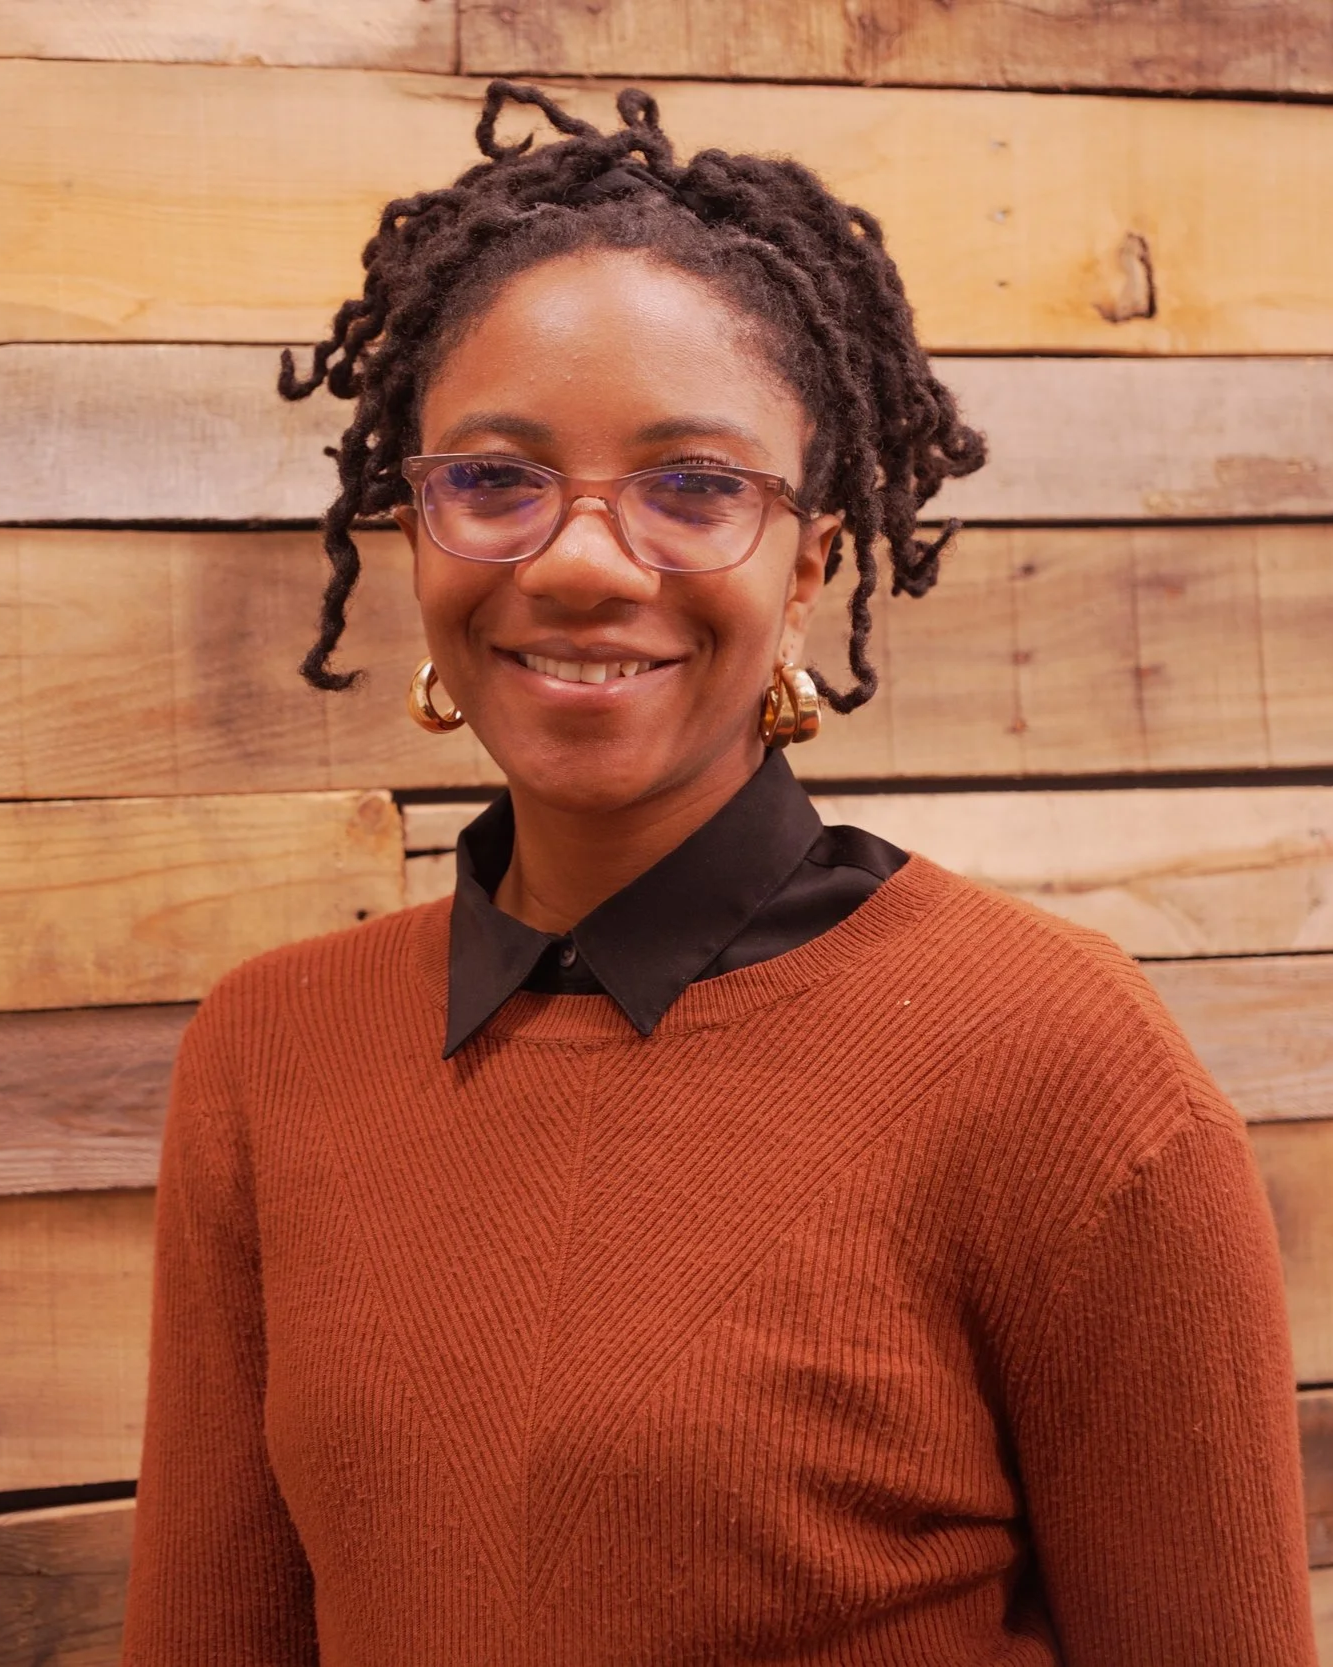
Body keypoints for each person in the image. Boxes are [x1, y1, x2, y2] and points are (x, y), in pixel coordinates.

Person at [121, 81, 1316, 1666]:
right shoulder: (270, 1053)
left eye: (695, 486)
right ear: (414, 529)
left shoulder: (1061, 1069)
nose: (583, 561)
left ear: (810, 562)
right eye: (495, 480)